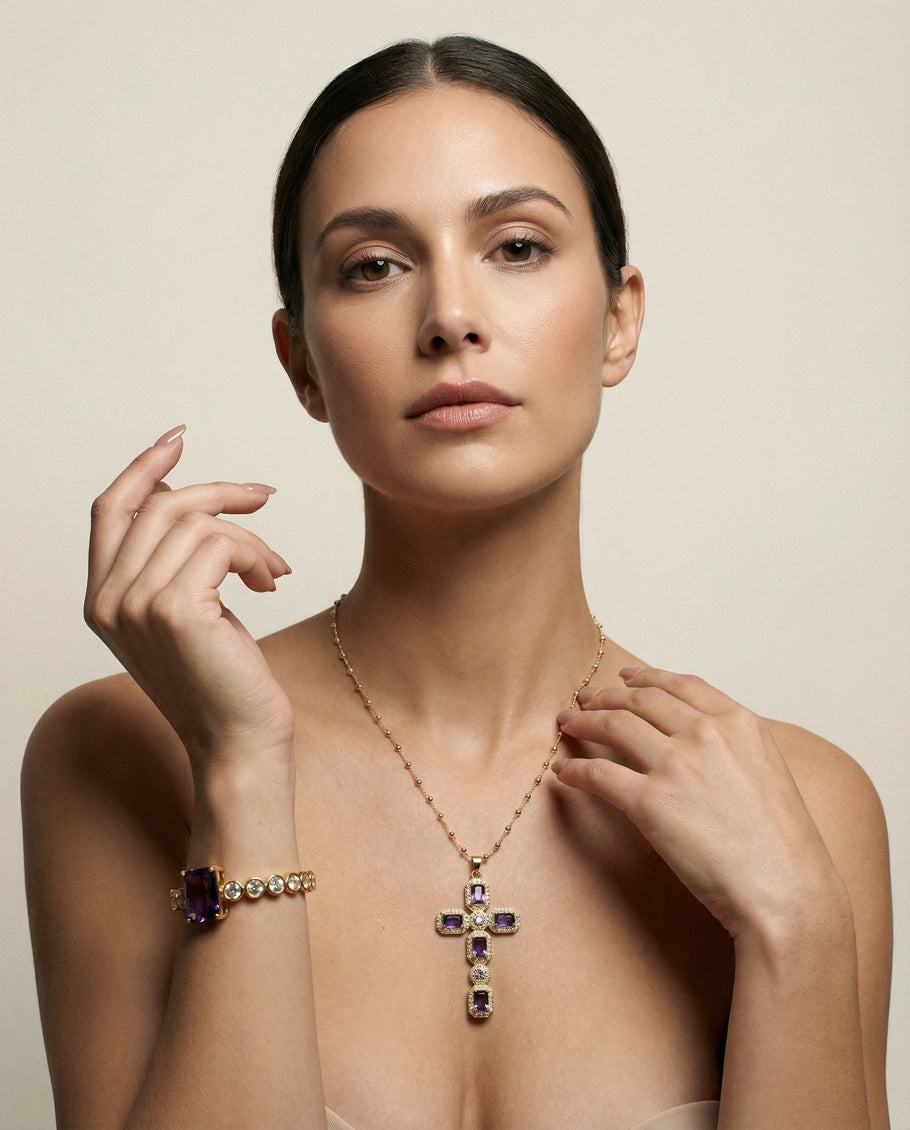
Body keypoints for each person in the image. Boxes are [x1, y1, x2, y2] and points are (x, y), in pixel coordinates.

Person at [22, 35, 891, 1130]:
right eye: (374, 265)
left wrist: (793, 923)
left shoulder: (801, 802)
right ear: (301, 364)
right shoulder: (124, 751)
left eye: (516, 246)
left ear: (619, 317)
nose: (450, 317)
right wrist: (242, 767)